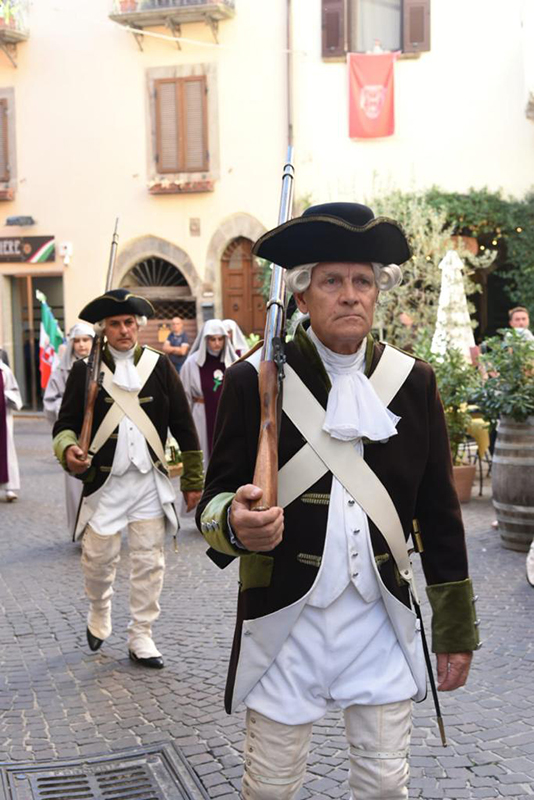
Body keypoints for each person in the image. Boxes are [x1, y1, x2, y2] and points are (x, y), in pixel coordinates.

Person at [197, 203, 480, 800]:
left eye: (362, 281)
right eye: (331, 281)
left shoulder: (414, 381)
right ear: (302, 295)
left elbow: (439, 514)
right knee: (269, 789)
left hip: (380, 619)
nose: (350, 295)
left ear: (377, 292)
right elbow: (213, 503)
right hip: (284, 619)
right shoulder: (251, 382)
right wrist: (236, 522)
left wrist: (455, 626)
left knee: (384, 785)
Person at [53, 289, 203, 669]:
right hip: (106, 484)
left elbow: (184, 425)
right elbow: (64, 426)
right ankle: (99, 609)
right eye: (116, 324)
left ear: (138, 326)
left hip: (148, 482)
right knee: (97, 560)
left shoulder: (159, 365)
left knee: (150, 561)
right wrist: (68, 449)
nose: (124, 330)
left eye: (129, 323)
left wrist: (193, 481)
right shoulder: (85, 371)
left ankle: (141, 634)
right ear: (105, 328)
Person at [44, 322, 95, 535]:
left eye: (86, 340)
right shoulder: (61, 371)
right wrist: (68, 409)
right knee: (76, 484)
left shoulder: (102, 365)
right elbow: (51, 400)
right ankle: (81, 528)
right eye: (78, 341)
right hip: (75, 433)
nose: (82, 345)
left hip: (99, 433)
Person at [179, 319, 237, 470]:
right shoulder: (191, 363)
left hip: (227, 416)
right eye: (212, 339)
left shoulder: (233, 362)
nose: (217, 343)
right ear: (205, 340)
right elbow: (184, 396)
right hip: (201, 415)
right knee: (204, 453)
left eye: (220, 339)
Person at [0, 359, 22, 502]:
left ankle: (10, 487)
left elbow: (13, 390)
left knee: (5, 452)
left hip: (2, 417)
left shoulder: (4, 370)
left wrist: (7, 396)